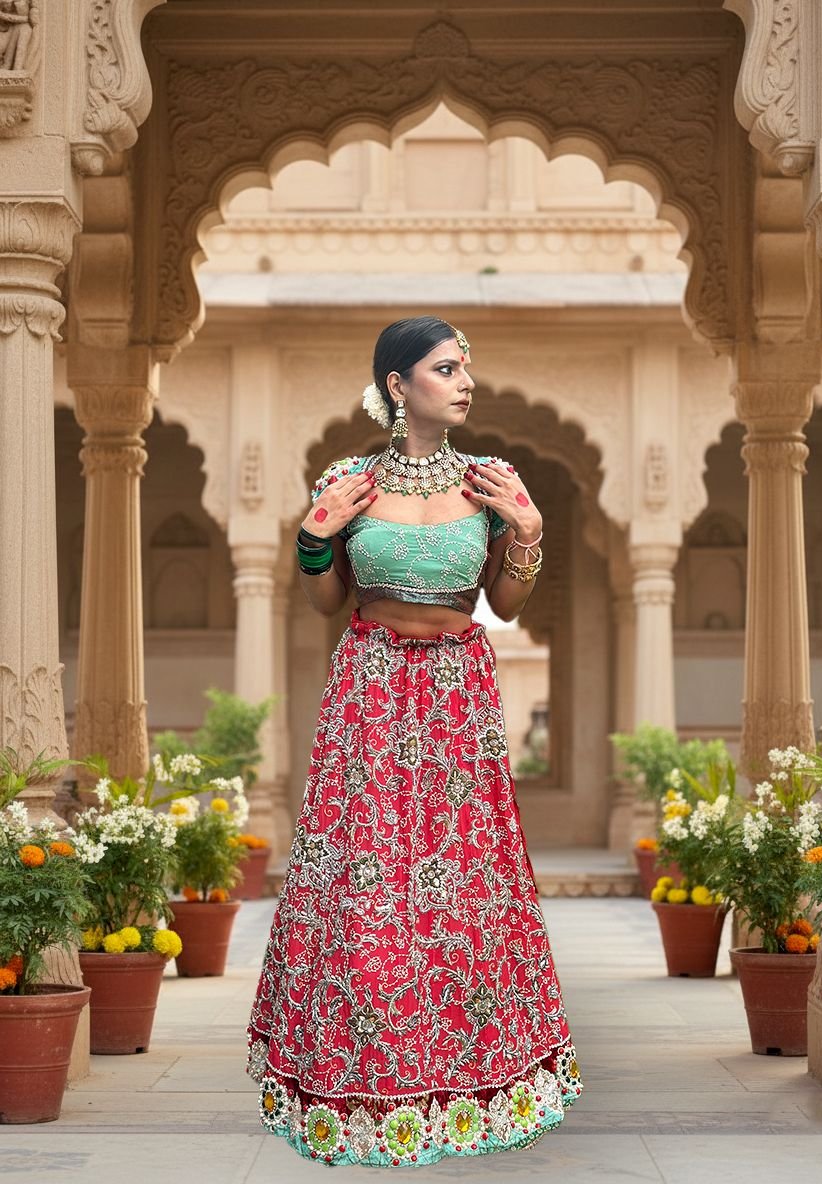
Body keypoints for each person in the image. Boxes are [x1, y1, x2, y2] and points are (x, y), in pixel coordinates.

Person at [246, 316, 582, 1167]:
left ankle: (467, 1077)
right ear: (399, 384)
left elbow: (503, 606)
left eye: (467, 367)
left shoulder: (487, 481)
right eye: (445, 367)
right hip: (371, 690)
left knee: (461, 882)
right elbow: (327, 604)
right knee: (364, 878)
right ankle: (356, 1079)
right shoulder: (350, 479)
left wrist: (528, 534)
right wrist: (315, 538)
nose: (465, 380)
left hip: (459, 697)